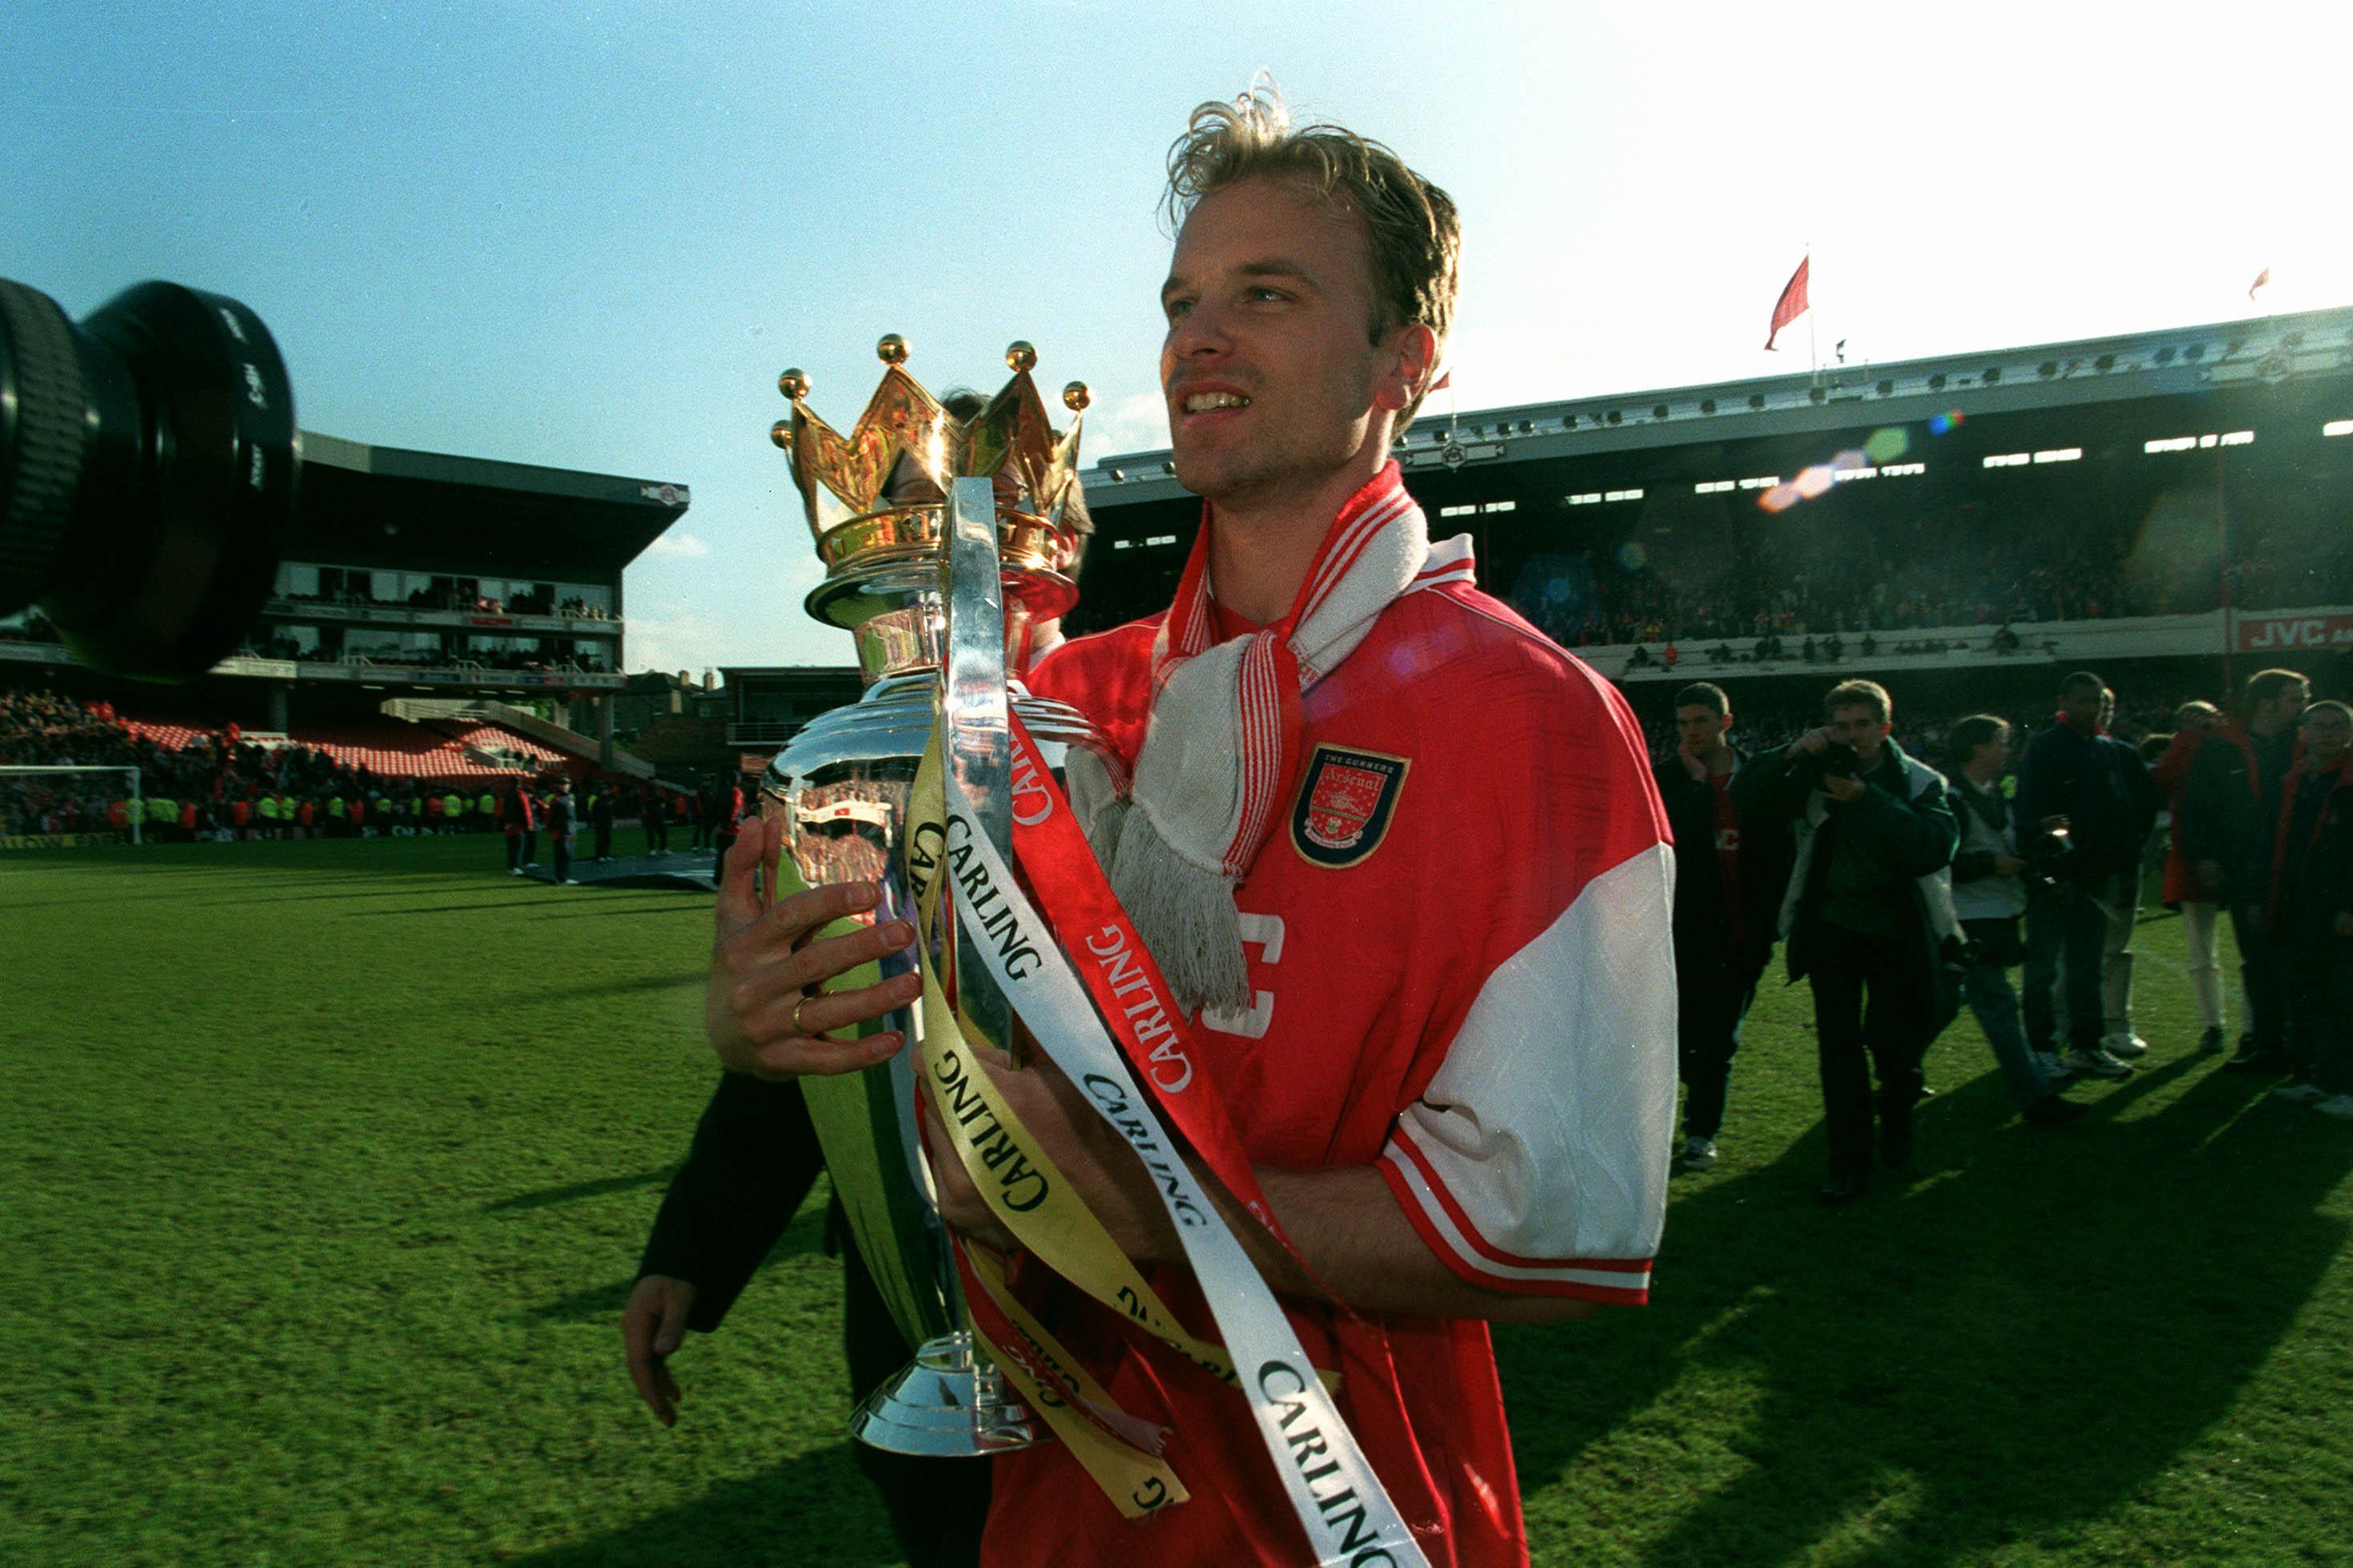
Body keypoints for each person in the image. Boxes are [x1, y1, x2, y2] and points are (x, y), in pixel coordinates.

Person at [909, 88, 1668, 1566]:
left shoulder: (1537, 721)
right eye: (1184, 299)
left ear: (1406, 359)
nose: (1198, 337)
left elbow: (1543, 1216)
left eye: (1266, 293)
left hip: (1354, 1511)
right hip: (1064, 1509)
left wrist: (1139, 1206)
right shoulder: (1057, 703)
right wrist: (806, 1022)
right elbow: (951, 1085)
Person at [1734, 679, 1959, 1207]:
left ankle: (1899, 1108)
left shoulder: (1920, 780)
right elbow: (1747, 796)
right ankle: (1848, 1163)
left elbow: (1933, 847)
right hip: (1831, 929)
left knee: (1894, 1045)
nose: (1852, 736)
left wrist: (1868, 800)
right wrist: (1789, 751)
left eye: (1863, 725)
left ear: (1885, 727)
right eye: (1842, 725)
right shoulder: (1814, 771)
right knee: (1839, 1053)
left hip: (1896, 933)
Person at [1652, 681, 1790, 1171]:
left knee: (1720, 1039)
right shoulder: (1665, 779)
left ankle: (1701, 1133)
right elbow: (1670, 849)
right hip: (1684, 935)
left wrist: (1770, 925)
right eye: (1684, 723)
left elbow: (1779, 853)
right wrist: (1691, 787)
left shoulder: (1757, 778)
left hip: (1743, 935)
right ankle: (1688, 1117)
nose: (1690, 732)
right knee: (1681, 1039)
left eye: (1701, 722)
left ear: (1724, 723)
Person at [1940, 715, 2086, 1126]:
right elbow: (1939, 860)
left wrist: (2037, 830)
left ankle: (1897, 1071)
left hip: (1995, 914)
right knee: (2000, 1007)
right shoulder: (1951, 797)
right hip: (1970, 919)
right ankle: (2036, 1096)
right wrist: (1990, 864)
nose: (2008, 750)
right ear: (1979, 748)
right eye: (2001, 742)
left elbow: (2003, 838)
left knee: (1945, 1004)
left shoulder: (1988, 791)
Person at [2015, 672, 2161, 1078]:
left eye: (2095, 702)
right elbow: (2033, 816)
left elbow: (2126, 815)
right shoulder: (2045, 747)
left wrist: (2125, 872)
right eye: (2082, 701)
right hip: (2056, 879)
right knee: (2043, 967)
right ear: (2063, 701)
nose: (2090, 709)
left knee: (2087, 966)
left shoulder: (2106, 749)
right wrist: (2054, 871)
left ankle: (2086, 1046)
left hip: (2096, 877)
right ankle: (2042, 1048)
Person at [2183, 667, 2310, 1073]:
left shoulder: (2306, 744)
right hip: (2248, 870)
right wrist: (2205, 857)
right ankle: (2270, 1042)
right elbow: (2198, 808)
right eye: (2296, 699)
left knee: (2302, 958)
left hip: (2301, 869)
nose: (2303, 708)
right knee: (2259, 956)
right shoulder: (2221, 748)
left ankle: (2294, 1043)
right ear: (2267, 703)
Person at [2261, 701, 2353, 1114]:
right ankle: (2316, 1077)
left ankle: (2345, 1087)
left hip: (2337, 906)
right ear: (2304, 732)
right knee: (2308, 991)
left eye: (2338, 726)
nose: (2329, 734)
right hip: (2301, 902)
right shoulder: (2296, 779)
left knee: (2342, 994)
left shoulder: (2347, 780)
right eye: (2320, 725)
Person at [2151, 699, 2237, 1054]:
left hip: (2235, 850)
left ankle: (2258, 1023)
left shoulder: (2230, 743)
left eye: (2203, 715)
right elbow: (2164, 781)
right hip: (2193, 854)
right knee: (2202, 950)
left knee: (2255, 947)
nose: (2198, 722)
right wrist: (2188, 740)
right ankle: (2212, 1023)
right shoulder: (2179, 750)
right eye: (2189, 718)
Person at [502, 776, 538, 873]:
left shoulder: (507, 794)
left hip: (508, 823)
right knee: (518, 846)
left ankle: (511, 866)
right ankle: (515, 867)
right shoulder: (521, 794)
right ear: (519, 784)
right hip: (518, 824)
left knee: (511, 846)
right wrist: (529, 823)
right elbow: (526, 810)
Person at [545, 776, 578, 884]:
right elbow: (550, 816)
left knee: (569, 855)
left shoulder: (571, 798)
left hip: (570, 830)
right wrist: (551, 829)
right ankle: (561, 877)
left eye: (567, 784)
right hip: (560, 831)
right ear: (559, 785)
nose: (566, 786)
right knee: (562, 855)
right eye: (563, 784)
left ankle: (565, 876)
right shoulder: (556, 800)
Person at [589, 782, 615, 861]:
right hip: (600, 823)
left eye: (606, 790)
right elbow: (593, 812)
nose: (606, 792)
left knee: (607, 839)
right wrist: (594, 821)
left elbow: (612, 810)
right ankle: (600, 855)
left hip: (607, 822)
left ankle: (606, 854)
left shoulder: (609, 800)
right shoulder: (597, 801)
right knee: (600, 839)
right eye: (604, 790)